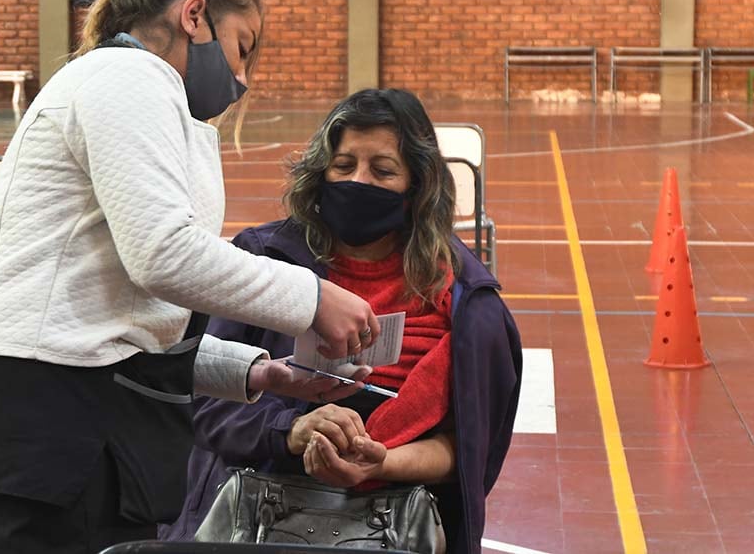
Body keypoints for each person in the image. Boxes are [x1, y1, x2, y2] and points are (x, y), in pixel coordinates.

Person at [0, 0, 381, 554]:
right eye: (241, 47)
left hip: (71, 423)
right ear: (194, 15)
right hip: (40, 428)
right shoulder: (127, 76)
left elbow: (121, 316)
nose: (242, 77)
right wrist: (311, 298)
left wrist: (256, 371)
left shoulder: (151, 95)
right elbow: (163, 255)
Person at [163, 88, 523, 554]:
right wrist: (290, 432)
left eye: (383, 170)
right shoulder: (261, 263)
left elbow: (467, 449)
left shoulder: (466, 302)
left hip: (398, 524)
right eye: (344, 165)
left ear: (418, 185)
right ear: (320, 171)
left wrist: (382, 462)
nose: (359, 181)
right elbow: (204, 405)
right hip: (255, 516)